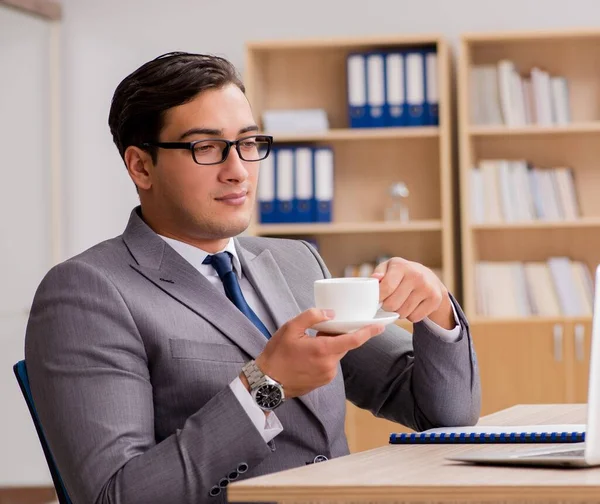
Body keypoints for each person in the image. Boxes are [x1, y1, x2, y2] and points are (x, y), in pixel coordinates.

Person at [25, 52, 481, 504]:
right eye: (206, 148)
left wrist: (436, 309)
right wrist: (263, 388)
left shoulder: (296, 261)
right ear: (141, 166)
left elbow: (444, 413)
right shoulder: (86, 293)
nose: (238, 170)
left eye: (248, 142)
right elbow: (115, 497)